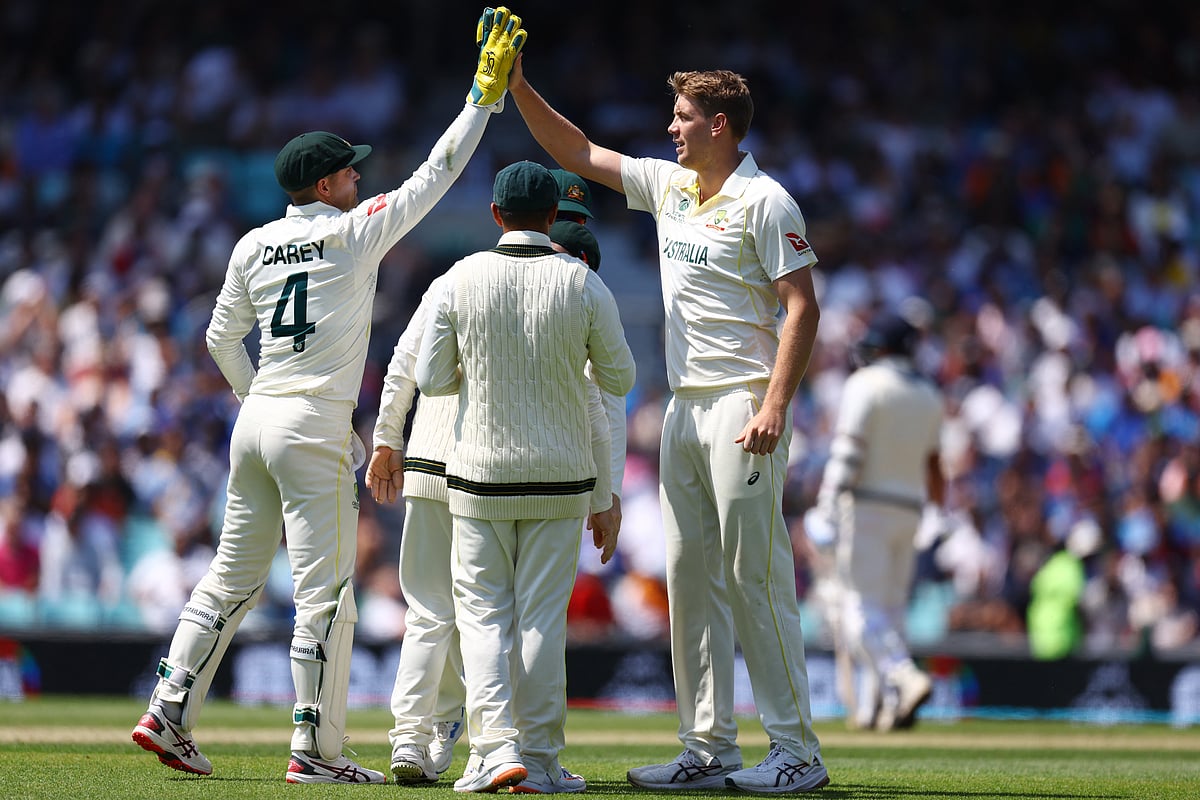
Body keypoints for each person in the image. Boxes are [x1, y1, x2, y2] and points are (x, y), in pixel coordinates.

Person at [129, 7, 528, 784]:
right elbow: (436, 176)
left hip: (258, 422)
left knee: (230, 577)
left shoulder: (252, 243)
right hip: (312, 423)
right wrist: (484, 98)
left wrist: (256, 402)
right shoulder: (353, 233)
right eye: (349, 173)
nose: (359, 180)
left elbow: (217, 339)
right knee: (327, 596)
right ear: (325, 183)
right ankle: (315, 751)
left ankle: (168, 709)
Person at [509, 62, 828, 792]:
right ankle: (708, 748)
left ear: (719, 125)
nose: (670, 128)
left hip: (743, 404)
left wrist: (776, 404)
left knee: (757, 577)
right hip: (683, 407)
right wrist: (519, 85)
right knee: (690, 582)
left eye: (682, 117)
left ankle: (798, 751)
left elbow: (802, 308)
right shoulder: (670, 185)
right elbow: (579, 154)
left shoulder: (766, 201)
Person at [369, 215, 620, 788]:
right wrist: (605, 495)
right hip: (473, 472)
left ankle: (417, 740)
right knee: (502, 617)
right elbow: (599, 406)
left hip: (439, 466)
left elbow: (405, 366)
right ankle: (506, 748)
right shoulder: (565, 297)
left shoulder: (456, 280)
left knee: (436, 614)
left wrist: (389, 438)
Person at [809, 313, 944, 731]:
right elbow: (935, 466)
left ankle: (903, 677)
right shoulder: (929, 394)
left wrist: (826, 508)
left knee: (858, 610)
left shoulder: (864, 384)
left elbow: (849, 454)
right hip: (911, 510)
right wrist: (939, 511)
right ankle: (879, 706)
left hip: (865, 507)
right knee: (890, 611)